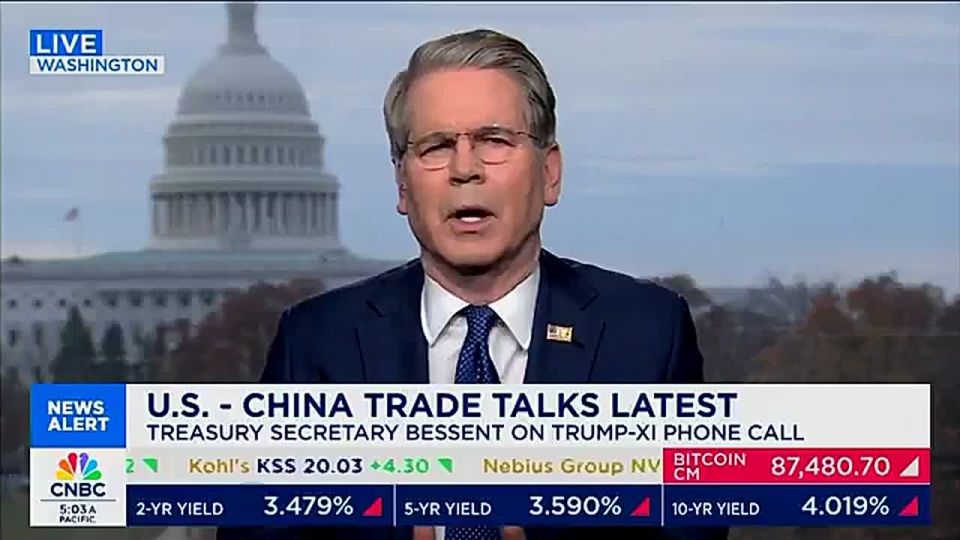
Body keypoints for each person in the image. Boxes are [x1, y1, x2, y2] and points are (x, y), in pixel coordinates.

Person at [218, 28, 726, 540]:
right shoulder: (318, 342)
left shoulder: (645, 334)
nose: (465, 169)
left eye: (494, 141)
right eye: (437, 146)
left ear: (550, 173)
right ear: (402, 184)